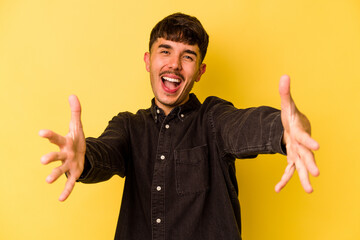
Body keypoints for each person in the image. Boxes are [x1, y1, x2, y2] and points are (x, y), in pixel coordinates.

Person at [39, 13, 319, 240]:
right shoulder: (129, 126)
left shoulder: (213, 117)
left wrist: (288, 130)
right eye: (165, 51)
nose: (174, 64)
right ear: (148, 61)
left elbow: (246, 125)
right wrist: (84, 157)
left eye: (188, 56)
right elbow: (106, 152)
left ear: (199, 70)